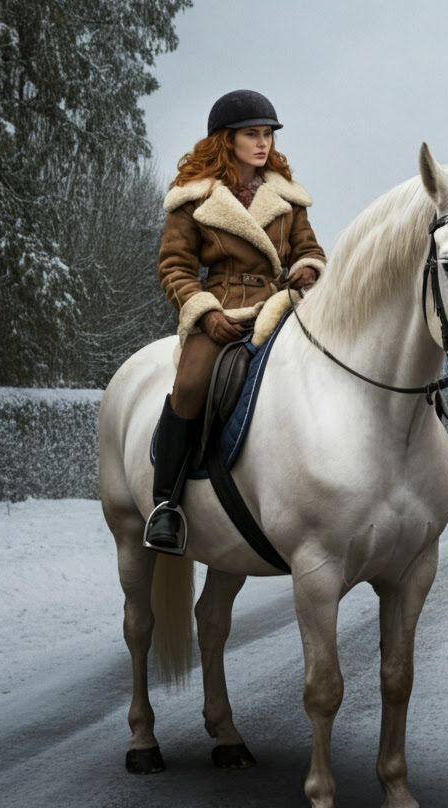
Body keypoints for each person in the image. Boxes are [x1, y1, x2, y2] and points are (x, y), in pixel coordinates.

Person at [145, 89, 326, 554]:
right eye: (252, 134)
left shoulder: (287, 197)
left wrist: (308, 269)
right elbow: (175, 267)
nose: (263, 143)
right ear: (227, 139)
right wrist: (204, 313)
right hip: (221, 306)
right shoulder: (192, 199)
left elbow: (309, 249)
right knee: (190, 385)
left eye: (267, 134)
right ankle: (166, 505)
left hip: (280, 305)